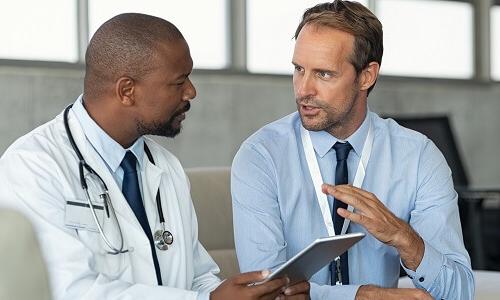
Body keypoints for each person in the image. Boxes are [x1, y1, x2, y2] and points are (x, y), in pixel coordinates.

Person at [0, 13, 310, 300]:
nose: (191, 92)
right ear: (127, 91)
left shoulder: (165, 168)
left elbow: (197, 278)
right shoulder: (33, 167)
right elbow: (67, 290)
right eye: (179, 82)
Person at [231, 1, 474, 299]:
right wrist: (362, 295)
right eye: (299, 69)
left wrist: (404, 238)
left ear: (366, 76)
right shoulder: (261, 157)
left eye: (324, 74)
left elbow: (459, 292)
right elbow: (264, 291)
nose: (303, 89)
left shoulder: (419, 158)